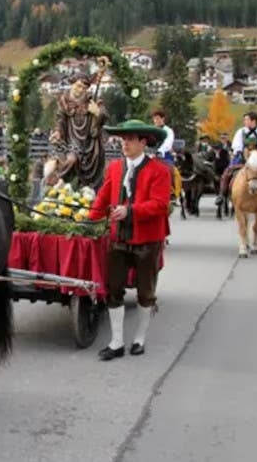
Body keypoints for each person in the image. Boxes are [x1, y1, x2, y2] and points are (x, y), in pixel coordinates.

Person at [89, 120, 171, 360]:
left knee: (145, 293)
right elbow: (104, 195)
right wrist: (89, 218)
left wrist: (130, 211)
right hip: (118, 238)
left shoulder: (160, 171)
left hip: (148, 240)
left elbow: (160, 205)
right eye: (123, 139)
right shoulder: (114, 168)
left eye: (130, 139)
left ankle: (139, 338)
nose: (124, 143)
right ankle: (116, 342)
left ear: (143, 142)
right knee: (113, 288)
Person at [216, 112, 257, 209]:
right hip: (243, 158)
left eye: (246, 119)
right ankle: (222, 195)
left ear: (253, 121)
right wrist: (243, 154)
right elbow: (237, 147)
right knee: (227, 172)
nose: (244, 122)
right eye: (244, 120)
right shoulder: (241, 132)